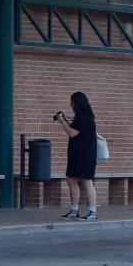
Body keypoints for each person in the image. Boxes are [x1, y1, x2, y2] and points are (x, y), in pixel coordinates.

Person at [53, 91, 101, 220]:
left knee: (87, 181)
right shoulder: (80, 117)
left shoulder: (84, 118)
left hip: (85, 155)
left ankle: (92, 212)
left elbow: (72, 133)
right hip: (76, 155)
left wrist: (62, 121)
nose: (70, 105)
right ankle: (74, 210)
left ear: (78, 103)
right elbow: (75, 129)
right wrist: (65, 119)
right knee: (71, 180)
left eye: (72, 102)